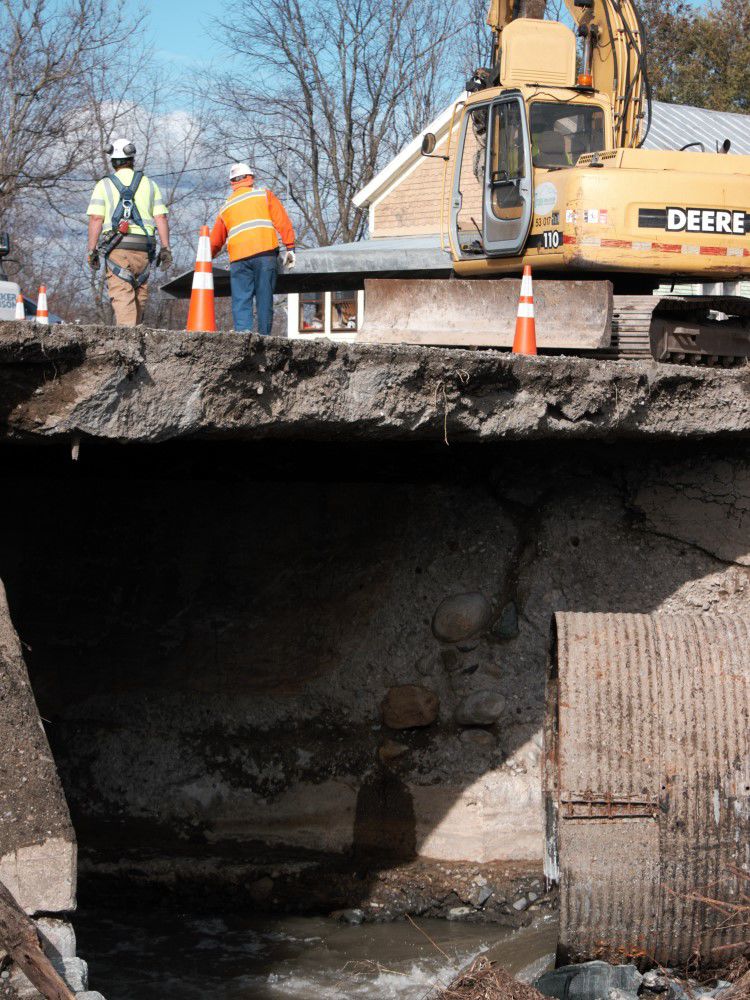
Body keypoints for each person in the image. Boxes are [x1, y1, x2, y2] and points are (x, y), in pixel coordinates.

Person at [86, 138, 172, 326]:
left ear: (113, 161)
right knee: (139, 295)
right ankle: (136, 337)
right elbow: (161, 218)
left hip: (118, 248)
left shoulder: (104, 185)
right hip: (144, 249)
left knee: (123, 296)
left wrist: (92, 250)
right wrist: (166, 248)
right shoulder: (150, 184)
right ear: (132, 159)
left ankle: (127, 340)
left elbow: (96, 219)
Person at [210, 162, 296, 335]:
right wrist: (290, 246)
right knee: (264, 298)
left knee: (241, 300)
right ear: (250, 178)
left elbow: (215, 241)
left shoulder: (226, 207)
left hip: (238, 260)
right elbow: (282, 221)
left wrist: (205, 259)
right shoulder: (263, 195)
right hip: (265, 255)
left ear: (232, 182)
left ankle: (243, 338)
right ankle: (264, 338)